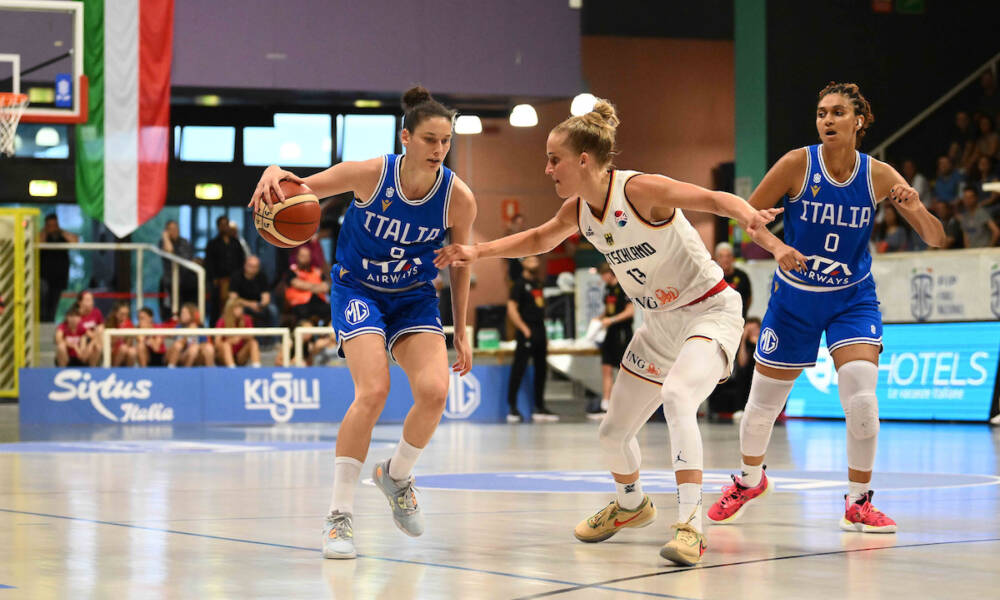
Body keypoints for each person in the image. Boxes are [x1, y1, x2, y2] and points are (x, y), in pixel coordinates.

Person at [434, 98, 779, 565]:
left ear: (583, 160)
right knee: (612, 434)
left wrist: (748, 215)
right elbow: (537, 238)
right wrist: (478, 251)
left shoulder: (640, 190)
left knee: (678, 396)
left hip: (709, 311)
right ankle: (631, 504)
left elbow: (713, 199)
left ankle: (691, 527)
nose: (547, 169)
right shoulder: (578, 210)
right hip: (658, 323)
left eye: (554, 159)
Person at [706, 82, 945, 536]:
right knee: (761, 408)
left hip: (851, 299)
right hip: (794, 300)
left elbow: (935, 237)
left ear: (859, 121)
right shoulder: (797, 164)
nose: (827, 120)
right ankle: (749, 481)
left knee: (863, 402)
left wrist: (916, 208)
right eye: (821, 113)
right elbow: (747, 218)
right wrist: (777, 246)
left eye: (837, 112)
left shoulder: (879, 175)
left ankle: (858, 502)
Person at [249, 86, 476, 560]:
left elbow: (460, 261)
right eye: (430, 139)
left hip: (414, 298)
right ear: (406, 138)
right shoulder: (371, 174)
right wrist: (273, 170)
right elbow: (300, 187)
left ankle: (396, 476)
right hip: (360, 291)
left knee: (435, 392)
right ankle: (339, 516)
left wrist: (461, 328)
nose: (439, 149)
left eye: (446, 141)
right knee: (372, 392)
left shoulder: (458, 198)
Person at [505, 255, 556, 423]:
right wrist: (523, 328)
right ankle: (512, 408)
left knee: (541, 370)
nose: (535, 263)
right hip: (526, 332)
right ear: (524, 263)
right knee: (519, 369)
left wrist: (544, 333)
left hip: (540, 330)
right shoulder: (519, 284)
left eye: (537, 260)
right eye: (531, 260)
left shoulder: (538, 283)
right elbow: (511, 309)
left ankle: (539, 407)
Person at [587, 262, 634, 419]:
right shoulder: (608, 289)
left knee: (623, 371)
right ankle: (605, 405)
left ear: (610, 273)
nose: (602, 279)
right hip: (610, 332)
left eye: (603, 275)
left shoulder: (624, 287)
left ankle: (625, 405)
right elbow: (608, 310)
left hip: (622, 332)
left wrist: (612, 320)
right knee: (606, 367)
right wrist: (599, 318)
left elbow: (630, 312)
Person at [204, 215, 246, 325]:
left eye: (226, 224)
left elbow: (241, 261)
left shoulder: (235, 242)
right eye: (221, 225)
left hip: (234, 281)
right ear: (218, 227)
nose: (224, 227)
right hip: (218, 281)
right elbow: (209, 263)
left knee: (234, 306)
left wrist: (239, 278)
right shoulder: (212, 244)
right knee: (216, 308)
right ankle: (214, 330)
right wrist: (213, 279)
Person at [38, 213, 78, 322]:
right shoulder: (43, 235)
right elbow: (38, 242)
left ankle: (50, 323)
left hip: (59, 278)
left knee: (53, 305)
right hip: (44, 277)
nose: (52, 228)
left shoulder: (62, 236)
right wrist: (45, 231)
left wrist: (60, 231)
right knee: (42, 302)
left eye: (54, 225)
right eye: (49, 225)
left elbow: (75, 241)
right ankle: (42, 322)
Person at [283, 246, 331, 325]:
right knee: (304, 320)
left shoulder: (317, 271)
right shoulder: (292, 271)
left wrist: (306, 286)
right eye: (302, 256)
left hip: (318, 303)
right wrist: (317, 287)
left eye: (307, 256)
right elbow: (297, 284)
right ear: (297, 256)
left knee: (332, 311)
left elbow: (326, 287)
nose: (304, 258)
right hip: (300, 305)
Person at [159, 220, 198, 318]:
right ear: (167, 231)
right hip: (171, 280)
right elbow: (169, 250)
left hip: (186, 280)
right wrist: (165, 237)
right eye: (171, 229)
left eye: (176, 228)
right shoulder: (163, 242)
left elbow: (189, 258)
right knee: (172, 307)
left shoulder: (184, 242)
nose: (174, 231)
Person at [229, 255, 276, 327]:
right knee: (237, 311)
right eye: (251, 266)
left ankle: (274, 333)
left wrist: (260, 305)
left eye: (256, 267)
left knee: (273, 310)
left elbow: (266, 298)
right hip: (241, 305)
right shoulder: (236, 276)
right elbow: (233, 298)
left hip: (258, 305)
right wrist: (250, 304)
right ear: (245, 265)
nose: (253, 269)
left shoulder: (262, 276)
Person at [214, 297, 261, 367]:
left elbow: (251, 336)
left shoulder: (246, 319)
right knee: (226, 345)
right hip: (224, 355)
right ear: (230, 309)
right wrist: (230, 341)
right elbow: (217, 343)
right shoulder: (222, 321)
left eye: (241, 308)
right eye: (236, 308)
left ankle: (257, 367)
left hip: (240, 355)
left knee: (253, 343)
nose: (240, 310)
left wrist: (240, 336)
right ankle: (232, 369)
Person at [166, 302, 215, 367]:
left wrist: (195, 333)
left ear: (192, 314)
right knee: (192, 349)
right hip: (182, 355)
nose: (182, 315)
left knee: (208, 348)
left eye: (185, 313)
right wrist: (189, 333)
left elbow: (204, 343)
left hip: (198, 354)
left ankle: (210, 370)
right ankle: (180, 370)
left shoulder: (200, 327)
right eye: (182, 313)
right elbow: (178, 345)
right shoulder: (179, 327)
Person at [715, 242, 752, 317]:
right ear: (716, 259)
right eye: (721, 256)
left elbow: (749, 298)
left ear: (733, 258)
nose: (725, 259)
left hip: (740, 317)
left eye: (728, 256)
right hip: (720, 319)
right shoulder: (714, 278)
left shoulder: (742, 276)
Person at [104, 301, 137, 367]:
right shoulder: (109, 323)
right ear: (116, 313)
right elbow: (109, 343)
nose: (124, 317)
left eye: (126, 314)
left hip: (123, 352)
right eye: (122, 314)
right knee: (123, 348)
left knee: (132, 351)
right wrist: (119, 335)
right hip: (110, 351)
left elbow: (129, 343)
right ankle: (114, 370)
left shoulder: (129, 324)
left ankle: (130, 371)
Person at [76, 291, 104, 362]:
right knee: (84, 338)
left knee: (98, 345)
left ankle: (93, 367)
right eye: (87, 300)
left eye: (91, 300)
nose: (91, 302)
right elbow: (81, 331)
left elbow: (101, 328)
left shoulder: (97, 312)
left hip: (94, 340)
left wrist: (91, 344)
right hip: (80, 340)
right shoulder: (75, 315)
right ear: (80, 302)